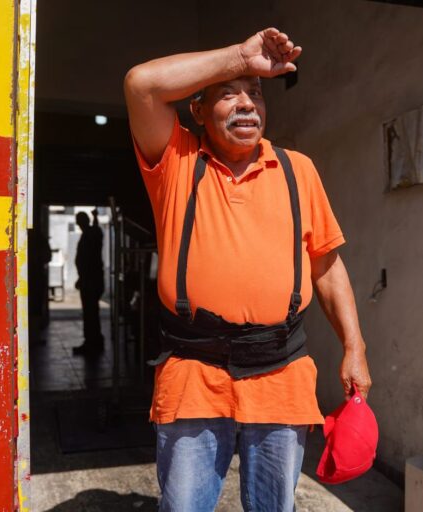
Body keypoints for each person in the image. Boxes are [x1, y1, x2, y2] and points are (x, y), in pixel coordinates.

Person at [124, 28, 371, 511]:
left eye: (255, 94)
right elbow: (141, 84)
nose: (246, 105)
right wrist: (240, 58)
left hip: (280, 371)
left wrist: (354, 348)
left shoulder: (298, 170)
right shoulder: (177, 162)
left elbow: (327, 267)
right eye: (228, 94)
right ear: (196, 111)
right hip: (194, 372)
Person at [73, 210, 105, 356]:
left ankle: (93, 342)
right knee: (90, 312)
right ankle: (92, 341)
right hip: (88, 280)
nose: (78, 224)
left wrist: (96, 217)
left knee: (91, 313)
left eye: (80, 220)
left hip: (91, 281)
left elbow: (88, 260)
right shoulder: (89, 233)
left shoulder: (91, 234)